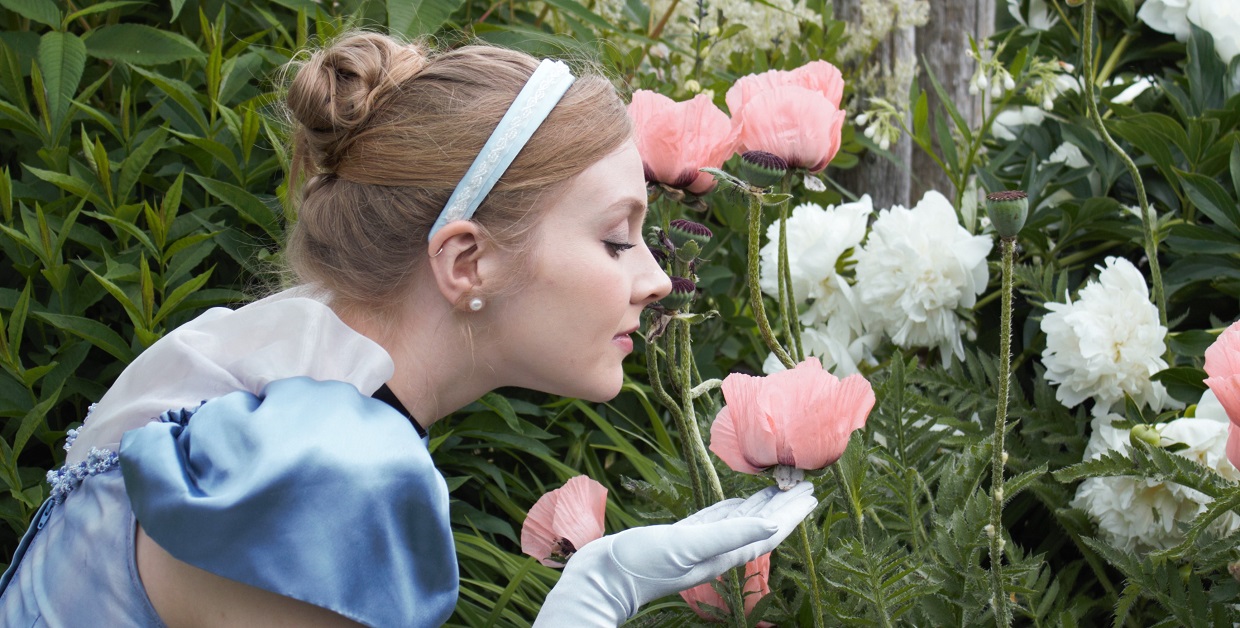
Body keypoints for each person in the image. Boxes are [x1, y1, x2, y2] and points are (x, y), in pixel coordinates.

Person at [0, 31, 817, 626]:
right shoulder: (330, 471)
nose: (652, 278)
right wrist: (591, 606)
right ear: (465, 261)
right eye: (614, 238)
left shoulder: (269, 371)